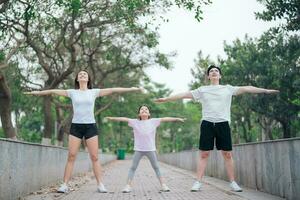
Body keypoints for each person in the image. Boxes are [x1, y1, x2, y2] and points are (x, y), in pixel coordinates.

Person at [154, 65, 279, 192]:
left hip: (223, 123)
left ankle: (233, 182)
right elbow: (184, 95)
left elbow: (247, 88)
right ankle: (198, 182)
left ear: (220, 76)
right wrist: (166, 99)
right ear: (208, 76)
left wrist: (265, 90)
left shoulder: (228, 89)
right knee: (204, 153)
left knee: (227, 154)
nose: (214, 72)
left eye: (216, 71)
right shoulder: (202, 90)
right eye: (211, 71)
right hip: (207, 123)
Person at [25, 70, 143, 193]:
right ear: (77, 79)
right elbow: (53, 91)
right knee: (71, 156)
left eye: (85, 74)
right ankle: (64, 184)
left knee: (94, 157)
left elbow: (113, 89)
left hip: (90, 126)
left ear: (88, 79)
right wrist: (38, 92)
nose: (82, 75)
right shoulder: (72, 93)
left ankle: (100, 184)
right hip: (76, 127)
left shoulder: (94, 92)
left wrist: (132, 89)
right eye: (80, 74)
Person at [105, 105, 185, 193]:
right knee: (133, 167)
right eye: (142, 109)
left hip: (150, 149)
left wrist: (177, 119)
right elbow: (124, 118)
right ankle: (128, 186)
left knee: (156, 167)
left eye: (146, 109)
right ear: (139, 113)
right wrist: (112, 118)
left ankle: (163, 185)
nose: (144, 110)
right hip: (139, 149)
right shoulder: (134, 122)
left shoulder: (153, 121)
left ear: (149, 113)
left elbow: (165, 118)